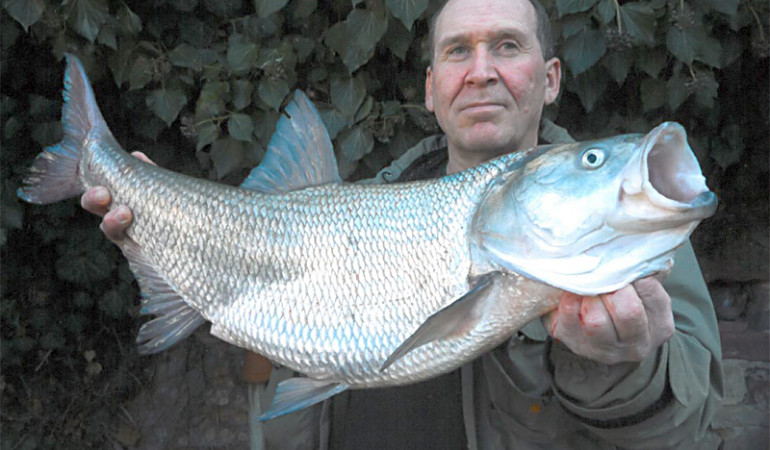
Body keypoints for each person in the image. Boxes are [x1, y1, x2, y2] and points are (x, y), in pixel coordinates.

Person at [81, 0, 723, 448]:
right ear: (430, 87)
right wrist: (160, 208)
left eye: (507, 45)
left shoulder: (637, 245)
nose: (481, 70)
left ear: (551, 78)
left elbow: (692, 434)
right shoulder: (359, 209)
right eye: (458, 51)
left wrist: (621, 371)